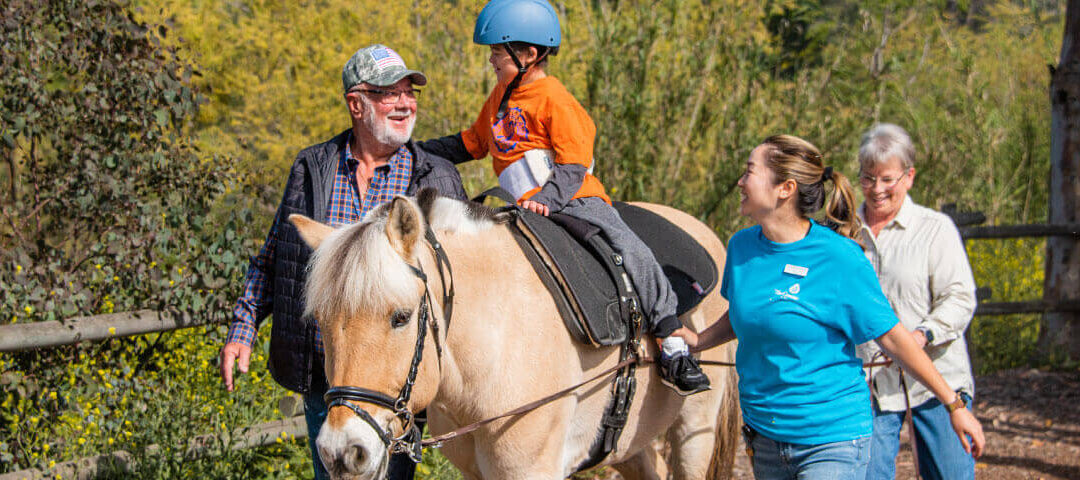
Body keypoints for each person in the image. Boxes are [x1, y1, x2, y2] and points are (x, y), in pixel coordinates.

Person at [419, 0, 710, 395]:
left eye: (497, 53)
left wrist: (549, 198)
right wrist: (416, 150)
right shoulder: (502, 96)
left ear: (529, 55)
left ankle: (671, 340)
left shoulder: (554, 97)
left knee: (629, 248)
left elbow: (575, 160)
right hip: (522, 203)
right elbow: (472, 143)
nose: (491, 60)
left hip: (574, 198)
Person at [218, 44, 467, 480]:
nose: (406, 103)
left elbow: (461, 286)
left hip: (396, 385)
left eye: (410, 93)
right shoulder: (314, 167)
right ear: (357, 103)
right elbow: (275, 256)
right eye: (391, 93)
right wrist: (244, 327)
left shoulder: (436, 177)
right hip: (327, 379)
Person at [680, 135, 984, 480]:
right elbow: (749, 315)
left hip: (831, 441)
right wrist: (698, 340)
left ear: (786, 188)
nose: (740, 181)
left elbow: (894, 339)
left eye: (750, 171)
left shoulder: (839, 258)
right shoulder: (742, 248)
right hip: (765, 437)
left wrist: (954, 405)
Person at [854, 123, 980, 480]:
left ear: (909, 177)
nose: (876, 189)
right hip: (870, 381)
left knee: (950, 474)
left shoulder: (935, 229)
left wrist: (923, 334)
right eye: (868, 178)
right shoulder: (843, 232)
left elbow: (958, 298)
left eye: (887, 179)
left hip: (935, 376)